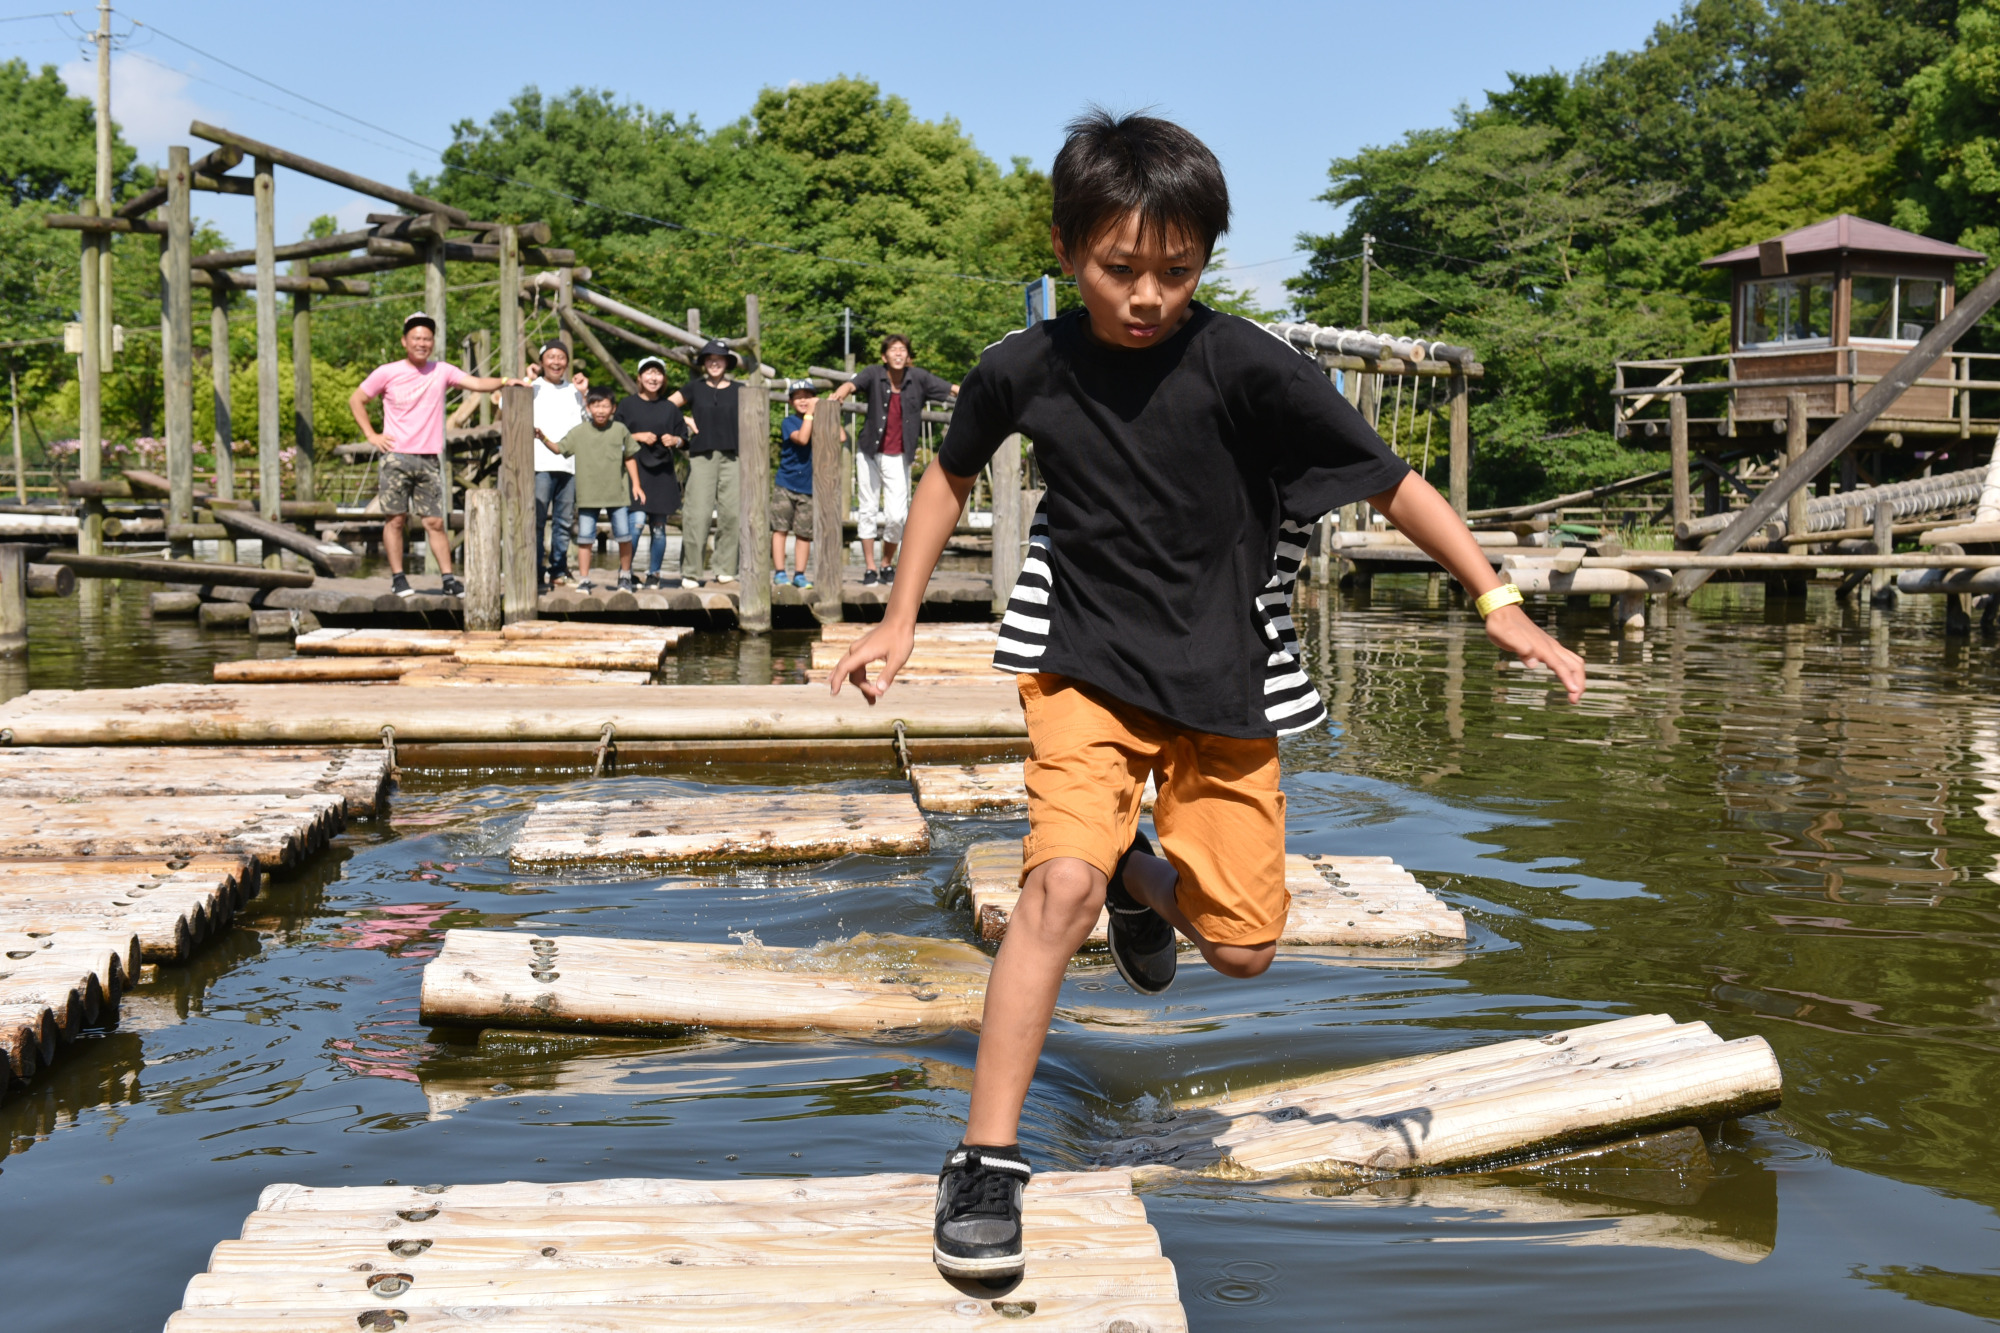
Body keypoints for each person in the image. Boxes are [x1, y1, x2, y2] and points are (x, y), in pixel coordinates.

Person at [827, 111, 1588, 1283]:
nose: (1143, 296)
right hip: (1078, 662)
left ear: (1204, 261)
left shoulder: (1246, 365)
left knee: (1239, 950)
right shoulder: (1020, 367)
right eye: (1117, 268)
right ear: (1065, 248)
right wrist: (895, 615)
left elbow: (1394, 484)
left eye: (1173, 272)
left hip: (1223, 677)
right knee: (1053, 888)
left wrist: (1497, 602)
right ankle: (984, 1158)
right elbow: (948, 473)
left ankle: (1143, 876)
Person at [348, 312, 519, 599]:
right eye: (416, 338)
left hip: (428, 457)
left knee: (435, 522)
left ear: (432, 342)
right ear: (405, 341)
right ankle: (398, 577)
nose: (422, 343)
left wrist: (506, 380)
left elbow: (476, 384)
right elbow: (357, 399)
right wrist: (371, 435)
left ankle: (449, 579)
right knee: (396, 519)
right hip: (396, 455)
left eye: (427, 338)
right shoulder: (387, 372)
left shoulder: (441, 370)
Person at [829, 335, 957, 585]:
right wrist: (840, 393)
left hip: (899, 455)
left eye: (902, 350)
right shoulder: (873, 373)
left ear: (908, 357)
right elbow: (852, 384)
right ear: (884, 356)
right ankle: (870, 567)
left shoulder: (917, 378)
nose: (898, 354)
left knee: (897, 515)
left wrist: (981, 393)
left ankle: (887, 563)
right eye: (893, 350)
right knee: (866, 509)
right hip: (869, 452)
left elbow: (951, 388)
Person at [554, 385, 644, 592]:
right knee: (585, 539)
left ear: (613, 408)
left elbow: (629, 457)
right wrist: (542, 438)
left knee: (624, 536)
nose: (601, 410)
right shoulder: (580, 431)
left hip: (617, 495)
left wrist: (637, 485)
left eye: (605, 406)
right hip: (588, 495)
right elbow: (560, 448)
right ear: (588, 407)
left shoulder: (620, 430)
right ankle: (584, 579)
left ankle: (625, 575)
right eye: (596, 406)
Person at [666, 340, 742, 585]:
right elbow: (666, 406)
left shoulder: (741, 389)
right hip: (701, 457)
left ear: (727, 362)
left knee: (732, 515)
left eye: (719, 358)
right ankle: (691, 572)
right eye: (709, 359)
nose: (714, 362)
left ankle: (725, 568)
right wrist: (685, 418)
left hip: (734, 457)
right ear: (704, 363)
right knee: (696, 515)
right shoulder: (694, 388)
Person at [617, 356, 695, 589]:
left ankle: (655, 573)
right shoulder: (626, 405)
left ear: (663, 379)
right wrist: (637, 437)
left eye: (658, 373)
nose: (654, 377)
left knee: (659, 529)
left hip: (662, 473)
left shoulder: (670, 408)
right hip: (635, 471)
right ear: (639, 377)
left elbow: (685, 440)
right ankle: (625, 572)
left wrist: (676, 440)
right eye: (648, 373)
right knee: (637, 522)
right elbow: (613, 438)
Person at [772, 379, 845, 589]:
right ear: (791, 401)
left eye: (808, 396)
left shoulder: (818, 419)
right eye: (798, 397)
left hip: (809, 486)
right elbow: (803, 439)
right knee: (780, 529)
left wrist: (831, 412)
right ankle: (779, 572)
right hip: (786, 483)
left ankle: (800, 574)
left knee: (804, 533)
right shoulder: (789, 422)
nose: (804, 401)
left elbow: (840, 437)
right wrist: (811, 413)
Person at [531, 340, 586, 590]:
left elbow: (590, 419)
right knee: (538, 521)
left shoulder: (575, 391)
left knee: (564, 522)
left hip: (569, 465)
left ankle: (558, 569)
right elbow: (502, 407)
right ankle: (535, 571)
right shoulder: (532, 386)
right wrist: (525, 379)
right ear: (542, 361)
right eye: (551, 357)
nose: (556, 362)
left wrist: (585, 393)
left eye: (561, 357)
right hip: (540, 463)